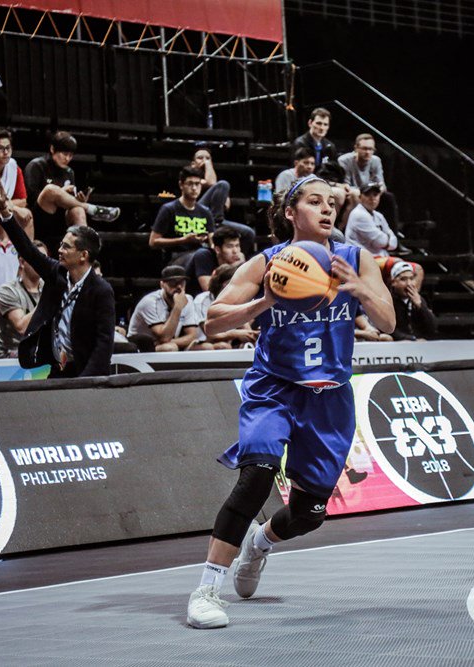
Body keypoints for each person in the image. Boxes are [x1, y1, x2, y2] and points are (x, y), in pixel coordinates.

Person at [185, 173, 394, 629]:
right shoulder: (267, 262)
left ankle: (258, 545)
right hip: (274, 387)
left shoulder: (355, 259)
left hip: (329, 398)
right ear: (289, 211)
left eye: (332, 204)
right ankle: (205, 590)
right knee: (257, 473)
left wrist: (357, 289)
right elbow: (213, 325)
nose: (326, 210)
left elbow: (389, 321)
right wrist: (263, 303)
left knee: (308, 514)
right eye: (315, 201)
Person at [0, 185, 116, 378]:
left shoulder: (101, 290)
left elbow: (104, 342)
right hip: (57, 369)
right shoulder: (56, 273)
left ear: (83, 255)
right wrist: (6, 213)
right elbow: (27, 250)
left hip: (85, 372)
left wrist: (88, 381)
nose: (59, 250)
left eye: (66, 247)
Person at [24, 131, 119, 247]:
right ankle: (92, 209)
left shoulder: (69, 172)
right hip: (40, 215)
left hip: (60, 218)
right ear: (52, 149)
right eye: (64, 154)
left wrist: (79, 200)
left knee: (78, 209)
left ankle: (85, 248)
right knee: (50, 190)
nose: (67, 158)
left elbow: (70, 203)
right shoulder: (36, 165)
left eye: (70, 155)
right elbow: (30, 197)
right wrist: (60, 192)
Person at [190, 148, 256, 255]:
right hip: (196, 217)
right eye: (200, 158)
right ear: (193, 163)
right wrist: (207, 165)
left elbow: (226, 206)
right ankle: (215, 222)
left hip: (215, 219)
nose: (204, 160)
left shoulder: (217, 184)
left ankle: (234, 260)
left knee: (249, 233)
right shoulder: (191, 179)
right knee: (223, 184)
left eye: (207, 158)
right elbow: (211, 182)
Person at [127, 266, 204, 352]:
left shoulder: (187, 299)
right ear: (162, 284)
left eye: (181, 282)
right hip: (140, 347)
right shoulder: (150, 302)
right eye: (173, 283)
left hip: (162, 344)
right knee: (170, 348)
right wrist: (177, 308)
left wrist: (170, 342)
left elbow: (192, 336)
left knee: (206, 347)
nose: (178, 287)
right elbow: (164, 337)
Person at [0, 240, 47, 359]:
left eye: (44, 258)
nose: (41, 263)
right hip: (12, 354)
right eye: (36, 258)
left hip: (40, 351)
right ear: (22, 262)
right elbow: (22, 328)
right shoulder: (7, 291)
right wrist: (47, 298)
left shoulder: (47, 287)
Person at [149, 166, 214, 262]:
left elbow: (212, 240)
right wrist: (183, 240)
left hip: (201, 254)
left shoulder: (205, 211)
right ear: (181, 185)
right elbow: (153, 242)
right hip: (176, 257)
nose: (194, 188)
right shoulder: (169, 209)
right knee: (201, 255)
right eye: (190, 184)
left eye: (197, 184)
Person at [191, 263, 256, 350]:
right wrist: (237, 334)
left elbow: (247, 330)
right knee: (219, 346)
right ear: (225, 284)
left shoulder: (236, 299)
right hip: (200, 343)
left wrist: (252, 335)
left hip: (226, 343)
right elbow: (210, 335)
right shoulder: (202, 300)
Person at [187, 226, 244, 296]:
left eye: (237, 246)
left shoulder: (239, 260)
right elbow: (209, 290)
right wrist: (232, 267)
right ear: (217, 249)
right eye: (229, 246)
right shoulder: (203, 255)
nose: (235, 251)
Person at [388, 261, 437, 341]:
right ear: (393, 282)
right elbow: (390, 330)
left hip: (421, 344)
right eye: (403, 279)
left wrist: (421, 306)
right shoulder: (389, 301)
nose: (409, 284)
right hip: (400, 344)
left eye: (411, 278)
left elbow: (433, 327)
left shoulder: (419, 299)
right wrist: (412, 339)